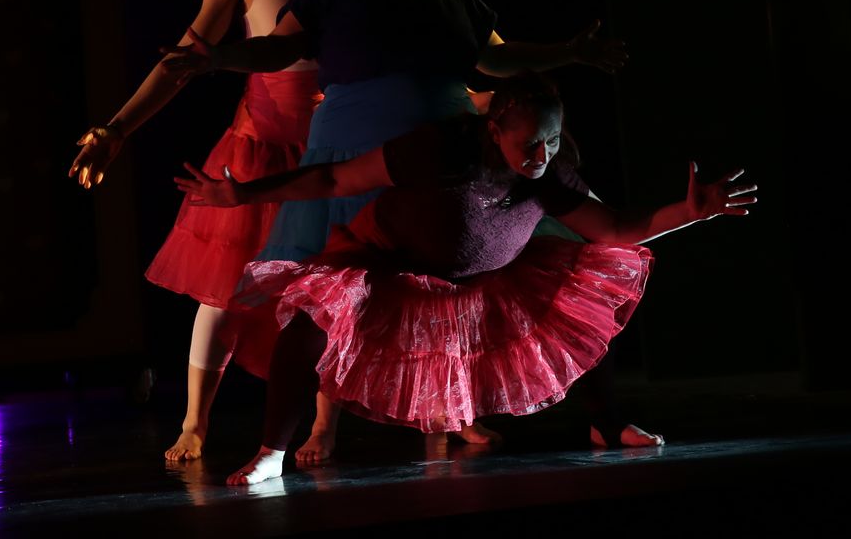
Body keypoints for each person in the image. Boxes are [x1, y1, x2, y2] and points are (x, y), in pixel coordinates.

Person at [160, 0, 627, 463]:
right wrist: (218, 58)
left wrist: (571, 52)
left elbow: (498, 58)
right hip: (355, 157)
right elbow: (280, 47)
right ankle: (280, 446)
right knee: (322, 304)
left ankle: (595, 421)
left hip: (445, 168)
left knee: (541, 276)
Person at [171, 73, 757, 485]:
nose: (541, 155)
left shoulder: (549, 174)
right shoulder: (440, 148)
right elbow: (333, 180)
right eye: (530, 143)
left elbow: (616, 229)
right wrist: (242, 194)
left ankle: (606, 423)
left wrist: (692, 212)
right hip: (393, 261)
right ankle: (271, 452)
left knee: (576, 300)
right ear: (495, 128)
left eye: (552, 141)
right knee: (306, 329)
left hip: (488, 276)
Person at [68, 0, 356, 462]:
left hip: (331, 143)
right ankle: (195, 423)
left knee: (331, 288)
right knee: (225, 291)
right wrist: (116, 129)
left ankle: (323, 427)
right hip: (261, 144)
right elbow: (183, 61)